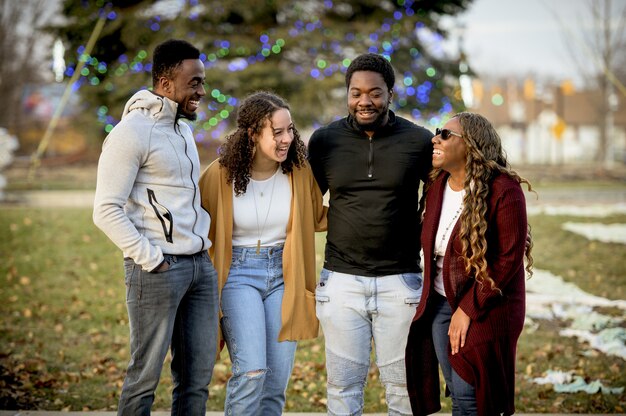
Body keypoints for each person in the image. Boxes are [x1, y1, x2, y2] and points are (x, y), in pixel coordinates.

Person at [93, 39, 219, 416]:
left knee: (196, 381)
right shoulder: (130, 133)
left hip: (200, 268)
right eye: (194, 83)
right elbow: (105, 210)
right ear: (166, 84)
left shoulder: (182, 130)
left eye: (202, 81)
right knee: (143, 379)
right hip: (157, 270)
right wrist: (152, 259)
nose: (201, 90)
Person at [307, 53, 433, 415]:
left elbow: (443, 195)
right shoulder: (325, 141)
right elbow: (307, 204)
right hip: (342, 282)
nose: (365, 101)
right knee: (343, 389)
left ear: (390, 94)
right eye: (356, 92)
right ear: (347, 94)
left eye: (374, 93)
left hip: (402, 283)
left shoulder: (418, 141)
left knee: (403, 391)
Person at [198, 91, 327, 415]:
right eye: (278, 132)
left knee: (275, 383)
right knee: (253, 370)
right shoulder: (219, 174)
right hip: (237, 276)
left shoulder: (298, 172)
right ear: (253, 134)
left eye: (290, 130)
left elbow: (317, 216)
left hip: (285, 276)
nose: (287, 139)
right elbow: (195, 223)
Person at [405, 112, 534, 416]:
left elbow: (507, 260)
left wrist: (467, 309)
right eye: (437, 132)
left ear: (472, 145)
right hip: (439, 304)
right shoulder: (437, 185)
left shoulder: (503, 190)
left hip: (487, 306)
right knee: (459, 389)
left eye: (446, 134)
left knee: (470, 393)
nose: (435, 138)